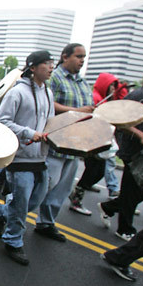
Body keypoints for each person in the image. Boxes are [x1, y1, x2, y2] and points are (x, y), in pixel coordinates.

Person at [0, 51, 55, 265]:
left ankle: (0, 213)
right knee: (22, 202)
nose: (51, 67)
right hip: (20, 156)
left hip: (40, 157)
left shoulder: (48, 93)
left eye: (52, 64)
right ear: (33, 67)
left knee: (34, 201)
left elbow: (50, 122)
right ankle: (13, 241)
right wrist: (28, 133)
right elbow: (2, 121)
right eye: (46, 64)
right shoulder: (17, 93)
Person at [34, 43, 94, 242]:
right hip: (56, 143)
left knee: (63, 188)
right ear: (65, 56)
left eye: (84, 57)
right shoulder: (55, 78)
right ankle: (8, 212)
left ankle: (46, 222)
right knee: (45, 185)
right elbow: (47, 103)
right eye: (78, 56)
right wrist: (75, 111)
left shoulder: (83, 83)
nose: (81, 60)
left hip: (74, 144)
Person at [98, 63, 143, 242]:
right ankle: (125, 228)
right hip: (135, 152)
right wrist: (141, 135)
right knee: (131, 189)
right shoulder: (137, 96)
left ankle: (109, 207)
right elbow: (120, 121)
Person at [68, 72, 128, 214]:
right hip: (92, 141)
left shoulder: (106, 100)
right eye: (111, 85)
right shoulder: (96, 98)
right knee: (92, 171)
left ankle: (80, 190)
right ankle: (77, 196)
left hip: (100, 141)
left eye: (115, 86)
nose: (113, 88)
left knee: (97, 171)